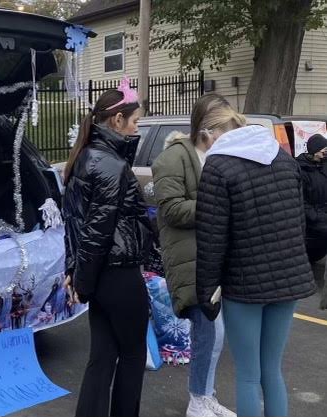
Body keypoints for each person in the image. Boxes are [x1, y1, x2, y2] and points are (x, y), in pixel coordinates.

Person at [195, 102, 316, 417]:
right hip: (288, 278)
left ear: (209, 134)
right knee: (272, 370)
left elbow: (212, 238)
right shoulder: (285, 160)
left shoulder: (218, 166)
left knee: (248, 374)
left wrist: (206, 292)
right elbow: (299, 223)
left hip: (244, 283)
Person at [62, 79, 152, 417]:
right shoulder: (111, 165)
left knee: (102, 356)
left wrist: (77, 274)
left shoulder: (85, 157)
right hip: (118, 272)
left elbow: (74, 224)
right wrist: (80, 279)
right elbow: (97, 232)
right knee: (131, 355)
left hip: (98, 275)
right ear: (117, 121)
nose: (137, 128)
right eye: (136, 121)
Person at [152, 94, 236, 417]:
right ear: (206, 129)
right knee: (209, 334)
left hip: (210, 258)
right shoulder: (174, 158)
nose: (226, 134)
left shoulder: (216, 157)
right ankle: (197, 401)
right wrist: (214, 205)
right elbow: (171, 209)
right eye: (223, 128)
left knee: (214, 336)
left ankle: (205, 395)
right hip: (191, 262)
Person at [297, 134, 327, 261]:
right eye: (324, 150)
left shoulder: (324, 165)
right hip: (312, 220)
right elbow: (301, 200)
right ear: (315, 150)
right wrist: (316, 216)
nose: (326, 153)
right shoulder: (301, 170)